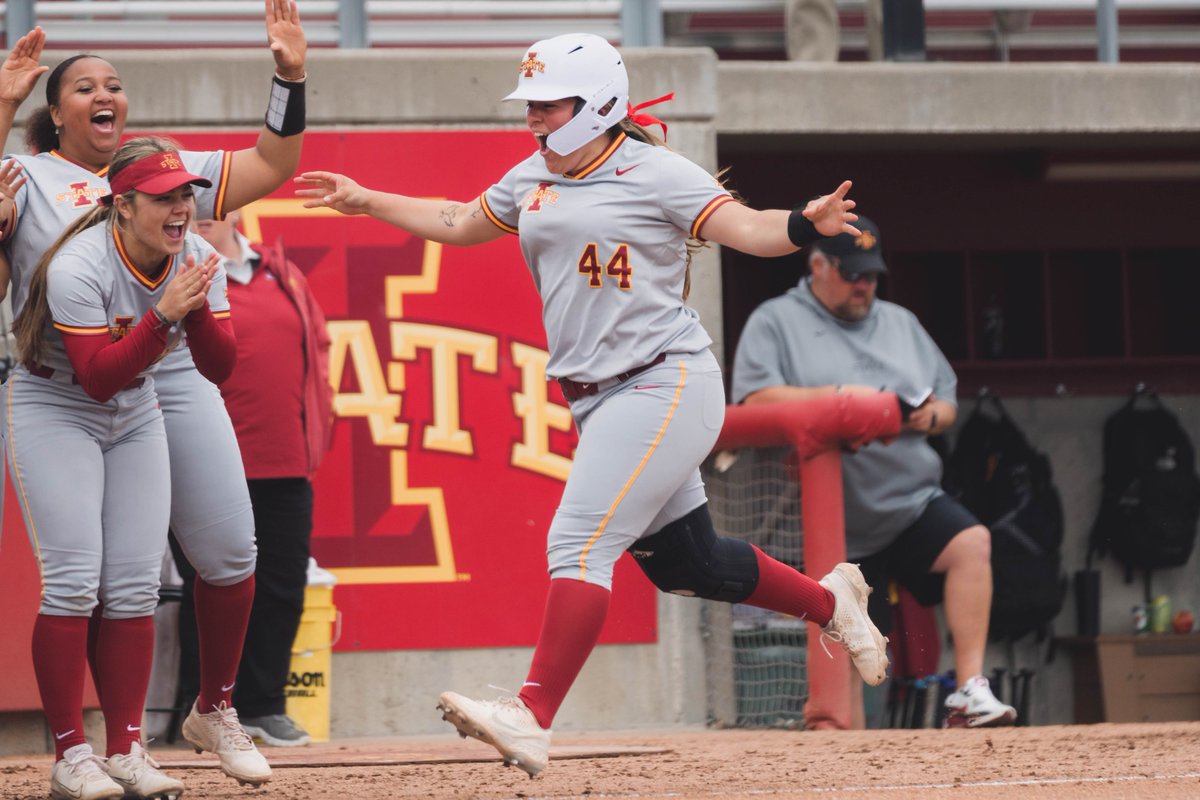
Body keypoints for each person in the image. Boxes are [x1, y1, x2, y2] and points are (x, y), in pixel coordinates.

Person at [295, 32, 889, 777]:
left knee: (579, 543)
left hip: (664, 379)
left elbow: (750, 228)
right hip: (597, 399)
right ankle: (833, 604)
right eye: (531, 106)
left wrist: (805, 224)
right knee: (691, 566)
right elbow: (458, 222)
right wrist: (365, 199)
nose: (534, 119)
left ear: (598, 104)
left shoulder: (655, 171)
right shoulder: (533, 175)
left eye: (548, 105)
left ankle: (532, 716)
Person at [0, 4, 308, 785]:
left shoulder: (158, 177)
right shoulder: (27, 176)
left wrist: (290, 76)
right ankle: (79, 748)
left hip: (161, 366)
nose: (106, 94)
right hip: (68, 377)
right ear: (55, 115)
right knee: (81, 575)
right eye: (84, 88)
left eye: (116, 83)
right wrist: (2, 106)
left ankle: (211, 710)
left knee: (230, 551)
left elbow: (273, 166)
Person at [3, 136, 231, 800]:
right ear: (123, 206)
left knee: (134, 586)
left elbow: (221, 370)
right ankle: (70, 755)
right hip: (55, 402)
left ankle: (127, 750)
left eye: (187, 193)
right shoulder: (79, 263)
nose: (181, 207)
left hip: (136, 407)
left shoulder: (193, 254)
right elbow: (96, 377)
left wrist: (193, 308)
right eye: (164, 197)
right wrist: (166, 316)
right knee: (74, 582)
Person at [730, 216, 1018, 728]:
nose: (864, 285)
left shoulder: (900, 321)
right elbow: (755, 401)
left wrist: (929, 416)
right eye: (852, 273)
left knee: (972, 543)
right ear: (818, 265)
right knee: (854, 678)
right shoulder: (775, 321)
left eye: (872, 275)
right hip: (830, 528)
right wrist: (844, 400)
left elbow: (948, 401)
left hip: (908, 501)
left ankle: (970, 690)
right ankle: (849, 758)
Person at [174, 210, 333, 747]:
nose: (194, 217)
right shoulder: (176, 274)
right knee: (213, 588)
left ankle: (265, 706)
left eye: (208, 207)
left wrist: (317, 423)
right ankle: (202, 710)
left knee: (282, 588)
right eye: (181, 207)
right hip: (206, 462)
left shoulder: (281, 270)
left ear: (237, 210)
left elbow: (320, 349)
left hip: (284, 461)